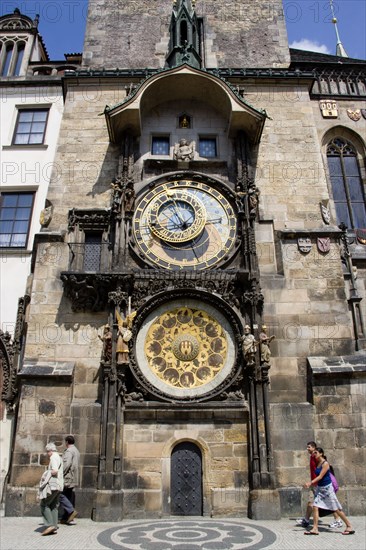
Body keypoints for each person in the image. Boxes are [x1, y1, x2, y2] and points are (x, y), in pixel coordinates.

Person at [303, 447, 355, 536]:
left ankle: (349, 526)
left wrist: (310, 483)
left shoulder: (325, 464)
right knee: (315, 506)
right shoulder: (318, 463)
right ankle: (315, 528)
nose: (314, 454)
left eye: (316, 453)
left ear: (321, 453)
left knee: (335, 509)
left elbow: (320, 476)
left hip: (327, 489)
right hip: (320, 488)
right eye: (314, 453)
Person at [40, 442, 63, 536]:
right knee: (53, 505)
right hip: (59, 485)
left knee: (44, 503)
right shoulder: (59, 457)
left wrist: (45, 474)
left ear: (50, 450)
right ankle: (54, 525)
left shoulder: (53, 457)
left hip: (53, 485)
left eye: (47, 452)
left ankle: (49, 525)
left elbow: (54, 471)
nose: (47, 454)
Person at [59, 435, 80, 525]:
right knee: (68, 496)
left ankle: (71, 511)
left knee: (59, 494)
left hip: (67, 477)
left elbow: (66, 464)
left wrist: (60, 474)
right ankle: (66, 518)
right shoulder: (76, 450)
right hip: (73, 477)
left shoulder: (69, 451)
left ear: (67, 442)